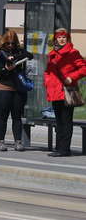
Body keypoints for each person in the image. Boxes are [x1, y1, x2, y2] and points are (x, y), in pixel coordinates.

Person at [44, 28, 86, 157]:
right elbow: (49, 72)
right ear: (55, 39)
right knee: (59, 121)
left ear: (67, 38)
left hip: (67, 90)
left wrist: (71, 77)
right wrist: (47, 83)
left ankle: (64, 149)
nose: (62, 39)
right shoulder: (52, 54)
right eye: (59, 37)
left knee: (66, 121)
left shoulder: (73, 52)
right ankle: (59, 147)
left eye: (64, 37)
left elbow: (84, 68)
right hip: (55, 91)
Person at [0, 30, 33, 152]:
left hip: (18, 88)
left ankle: (18, 142)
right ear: (4, 43)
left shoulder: (19, 52)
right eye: (8, 43)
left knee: (17, 116)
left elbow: (30, 55)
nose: (10, 46)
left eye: (13, 43)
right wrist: (5, 68)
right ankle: (1, 141)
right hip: (3, 87)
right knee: (2, 116)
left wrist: (16, 57)